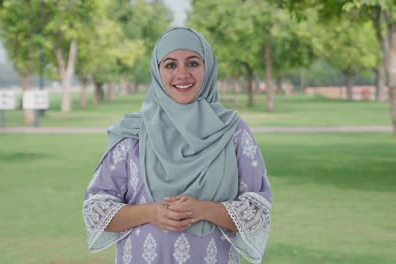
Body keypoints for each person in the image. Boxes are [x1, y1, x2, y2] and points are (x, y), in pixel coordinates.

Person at [82, 27, 272, 264]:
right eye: (170, 65)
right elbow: (96, 210)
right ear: (157, 70)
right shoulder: (133, 133)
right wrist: (151, 213)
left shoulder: (233, 132)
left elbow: (258, 211)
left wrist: (202, 210)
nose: (182, 74)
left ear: (208, 68)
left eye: (192, 63)